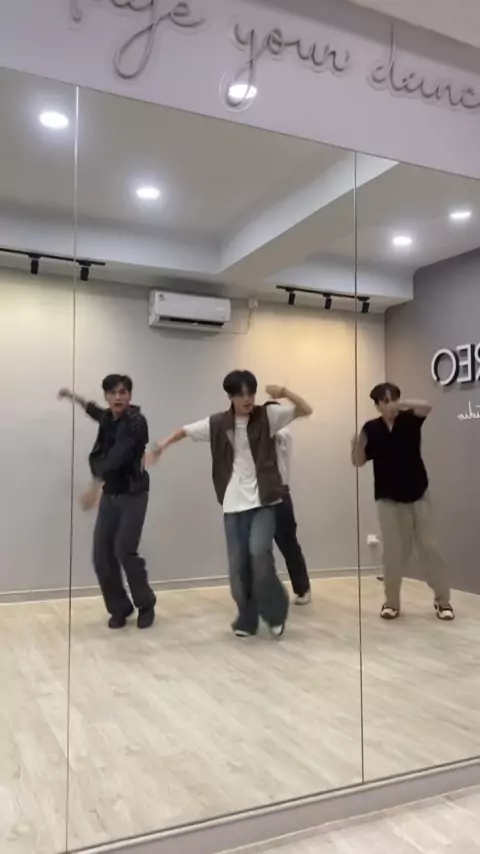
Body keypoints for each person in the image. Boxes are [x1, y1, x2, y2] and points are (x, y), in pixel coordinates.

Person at [149, 370, 312, 638]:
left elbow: (305, 409)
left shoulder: (268, 416)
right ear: (230, 396)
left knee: (260, 556)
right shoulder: (218, 423)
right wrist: (162, 444)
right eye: (241, 394)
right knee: (238, 567)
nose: (248, 399)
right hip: (233, 504)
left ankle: (274, 613)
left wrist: (283, 392)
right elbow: (185, 431)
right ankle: (247, 619)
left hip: (264, 501)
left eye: (251, 393)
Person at [58, 375, 156, 629]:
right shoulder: (108, 418)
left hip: (133, 494)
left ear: (130, 396)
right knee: (101, 556)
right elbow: (94, 411)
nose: (118, 397)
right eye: (112, 393)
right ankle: (120, 608)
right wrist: (73, 396)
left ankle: (145, 604)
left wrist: (94, 486)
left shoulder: (136, 422)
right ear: (106, 396)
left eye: (123, 392)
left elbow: (118, 455)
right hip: (111, 494)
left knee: (124, 549)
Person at [351, 382, 454, 622]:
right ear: (377, 405)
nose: (390, 405)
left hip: (419, 493)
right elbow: (359, 461)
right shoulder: (371, 428)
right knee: (393, 553)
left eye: (393, 399)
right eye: (385, 401)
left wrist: (401, 404)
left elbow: (427, 406)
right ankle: (391, 603)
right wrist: (356, 445)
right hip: (388, 499)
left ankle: (443, 601)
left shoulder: (409, 420)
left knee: (430, 548)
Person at [265, 402, 311, 605]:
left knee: (288, 543)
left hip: (280, 495)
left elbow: (274, 435)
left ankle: (302, 589)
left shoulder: (283, 434)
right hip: (258, 496)